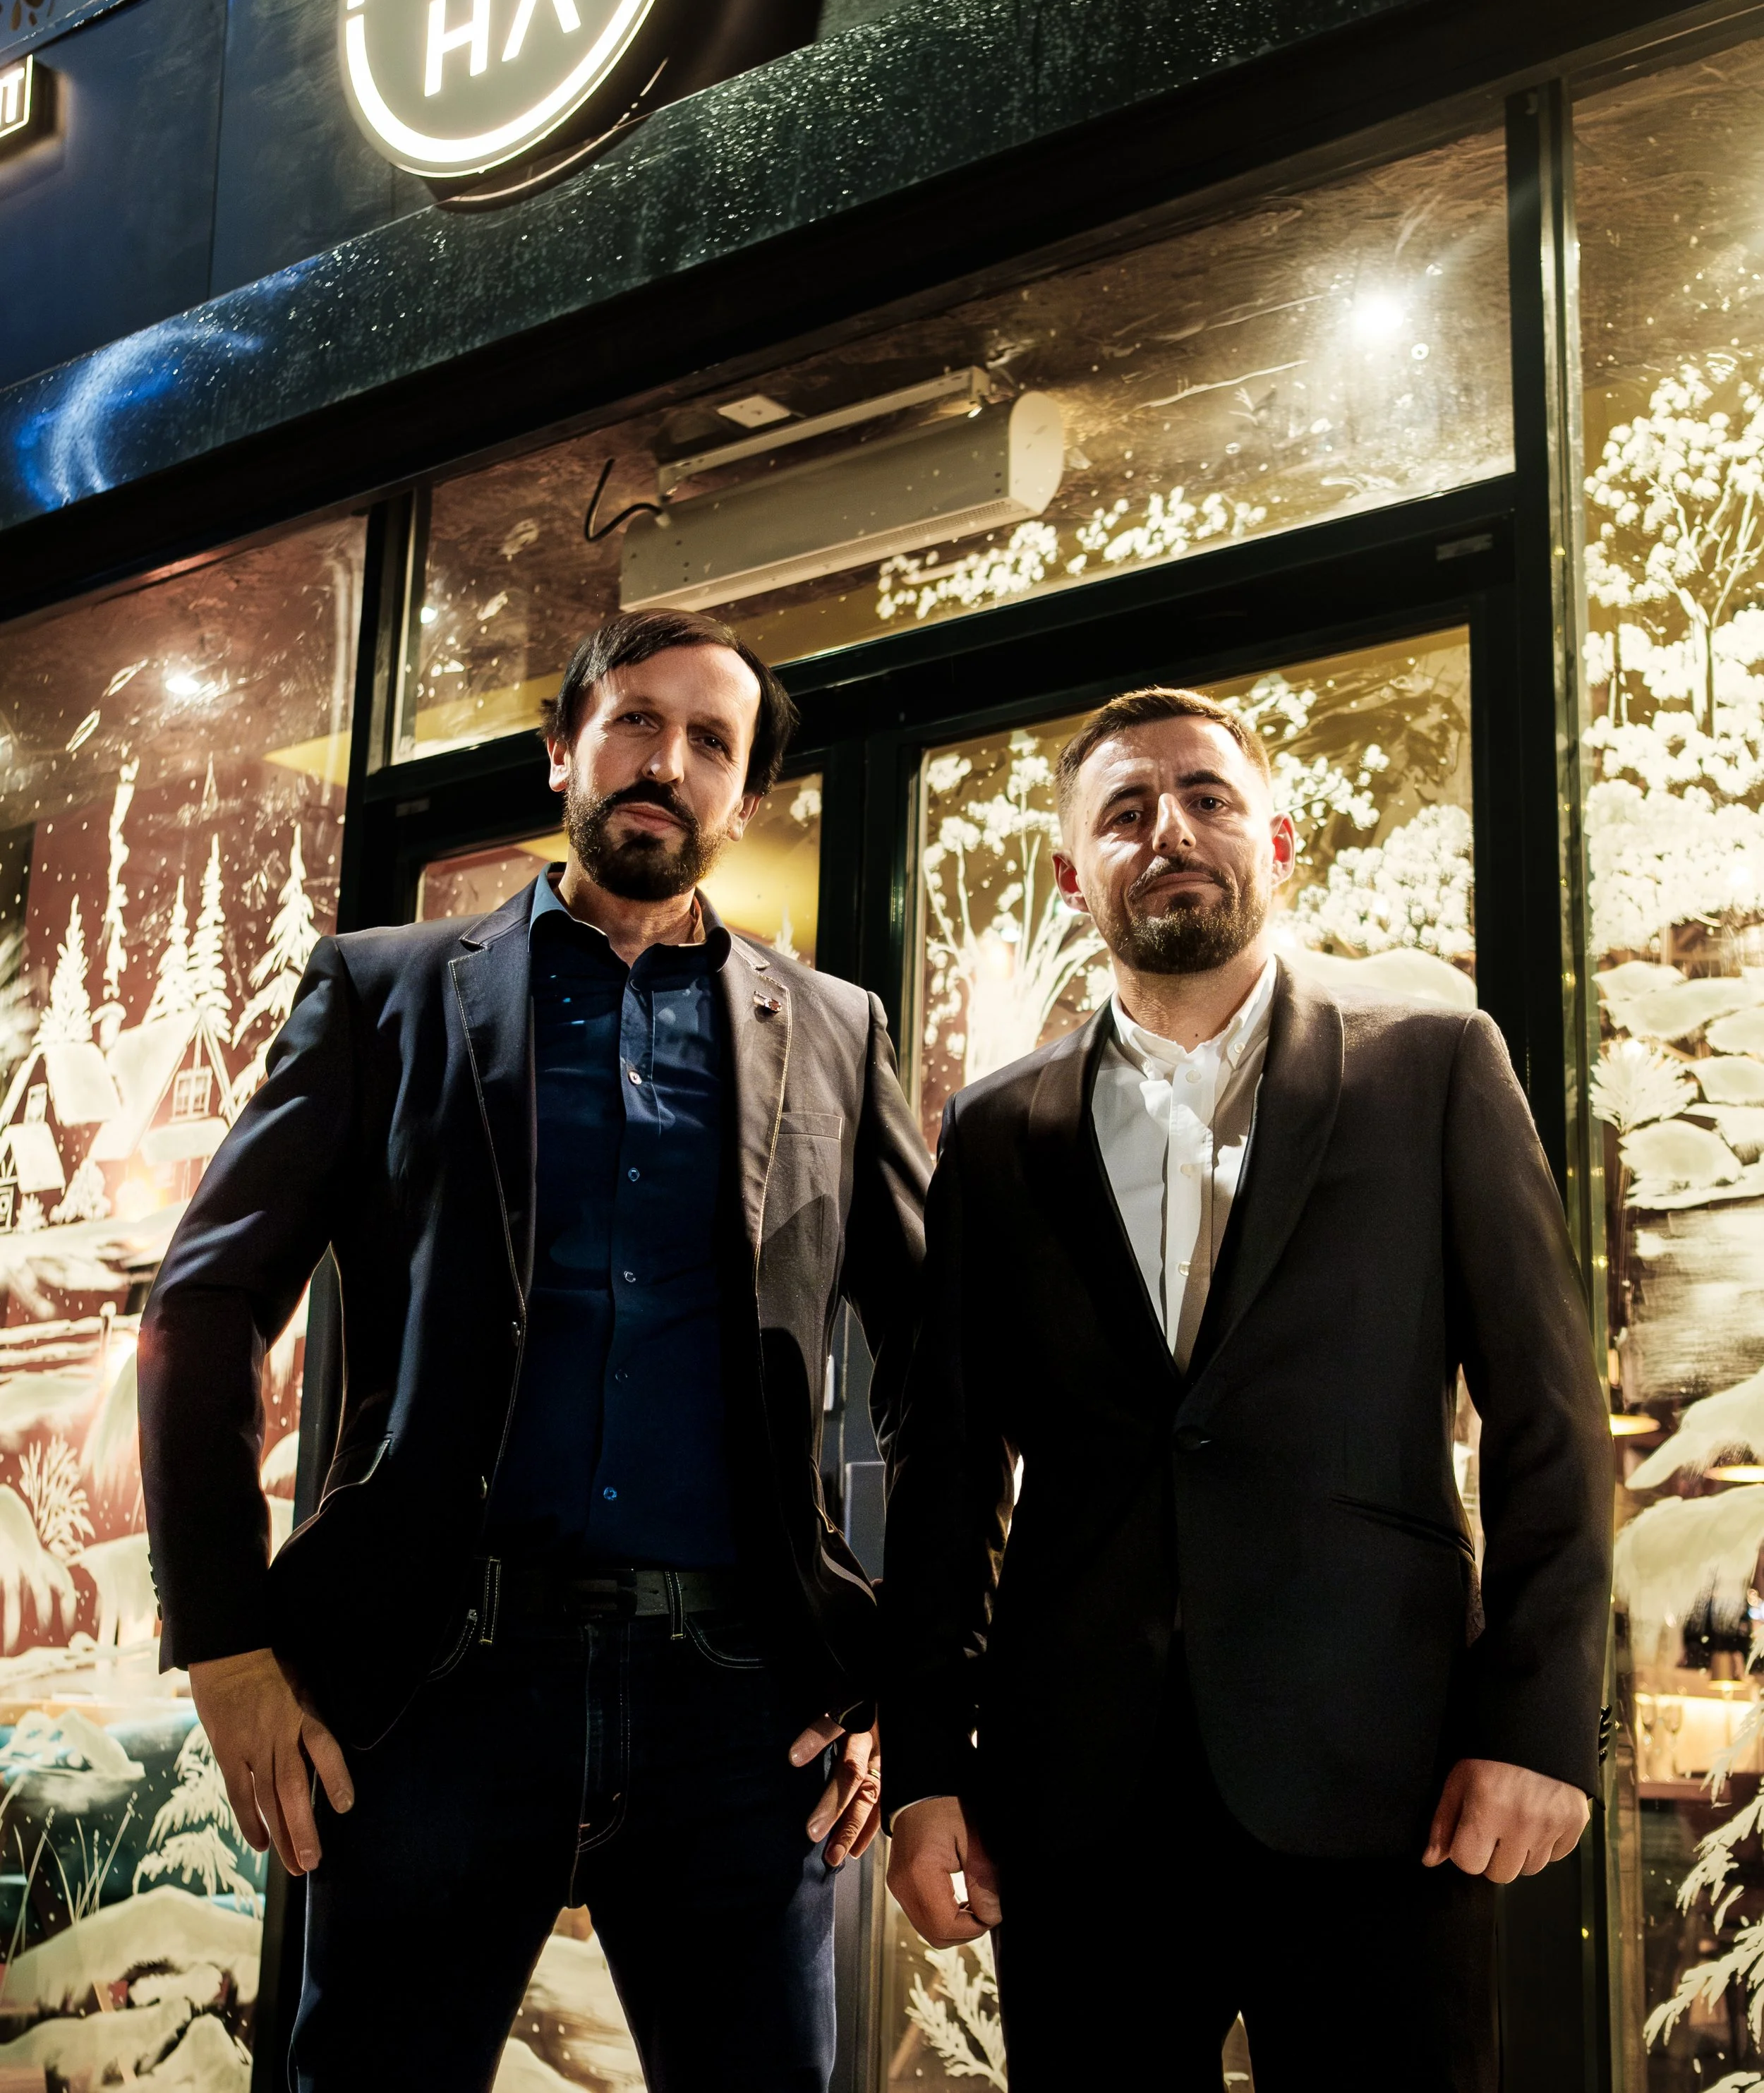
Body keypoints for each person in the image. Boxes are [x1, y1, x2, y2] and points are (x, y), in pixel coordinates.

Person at [138, 610, 929, 2093]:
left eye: (710, 741)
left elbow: (942, 1370)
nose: (666, 762)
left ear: (741, 799)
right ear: (562, 750)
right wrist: (226, 1642)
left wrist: (906, 1675)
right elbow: (202, 1305)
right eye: (634, 721)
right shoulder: (382, 992)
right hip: (433, 1687)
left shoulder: (835, 1032)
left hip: (741, 1712)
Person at [881, 686, 1612, 2092]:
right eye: (1124, 812)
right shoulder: (989, 1135)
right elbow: (944, 1471)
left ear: (1273, 837)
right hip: (1078, 1806)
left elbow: (1549, 1422)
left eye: (1206, 799)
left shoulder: (1436, 1066)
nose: (1171, 832)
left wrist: (1536, 1730)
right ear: (1068, 870)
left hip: (1384, 1786)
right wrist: (923, 1767)